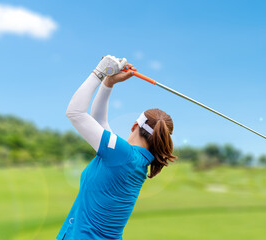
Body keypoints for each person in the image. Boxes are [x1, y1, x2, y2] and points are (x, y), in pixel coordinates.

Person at [57, 55, 177, 239]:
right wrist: (109, 82)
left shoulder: (122, 155)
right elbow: (99, 121)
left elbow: (75, 113)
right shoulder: (132, 159)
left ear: (135, 126)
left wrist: (99, 72)